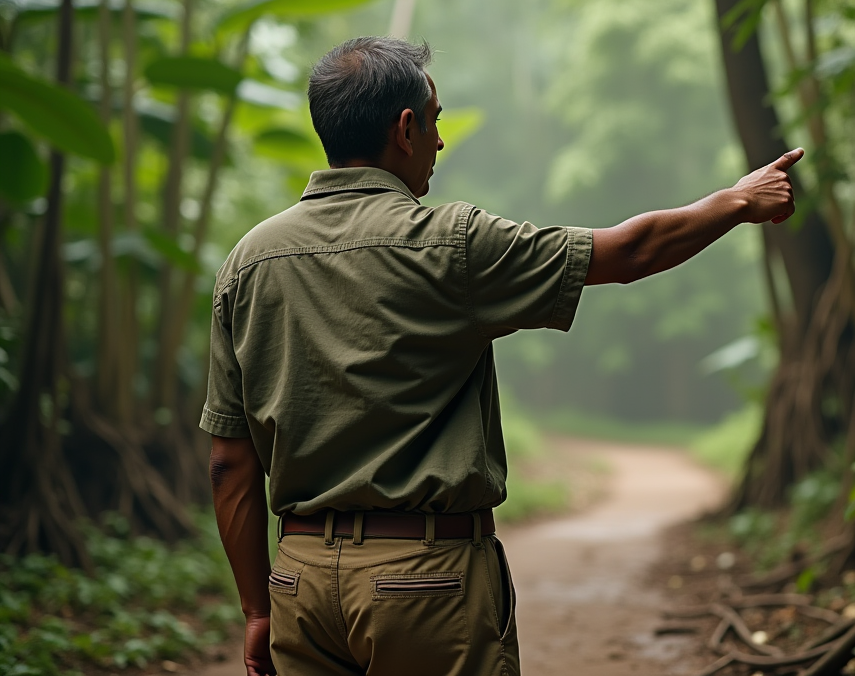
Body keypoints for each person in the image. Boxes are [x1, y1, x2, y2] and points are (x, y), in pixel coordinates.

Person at [204, 36, 804, 676]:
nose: (439, 141)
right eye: (433, 121)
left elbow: (229, 463)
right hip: (425, 582)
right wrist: (738, 200)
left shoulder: (247, 263)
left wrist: (258, 609)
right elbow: (628, 253)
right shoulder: (450, 244)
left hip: (299, 585)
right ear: (404, 129)